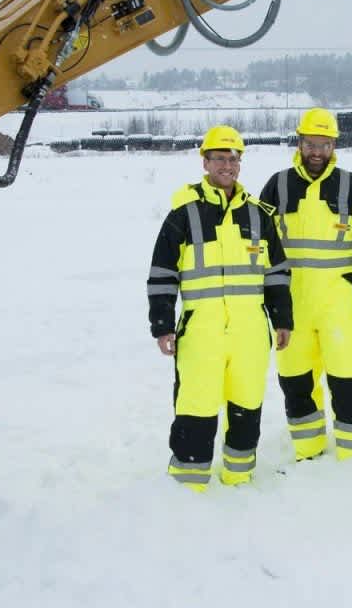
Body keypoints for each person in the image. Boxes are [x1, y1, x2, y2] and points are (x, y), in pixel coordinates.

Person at [146, 125, 293, 491]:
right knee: (196, 406)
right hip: (201, 332)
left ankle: (238, 478)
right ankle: (188, 484)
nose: (227, 166)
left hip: (249, 334)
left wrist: (282, 319)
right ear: (205, 162)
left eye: (233, 159)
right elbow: (162, 273)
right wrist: (163, 324)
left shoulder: (259, 216)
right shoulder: (184, 215)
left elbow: (277, 273)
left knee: (246, 405)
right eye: (219, 159)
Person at [258, 108, 352, 465]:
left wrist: (338, 278)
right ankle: (307, 450)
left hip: (338, 301)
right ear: (299, 142)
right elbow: (261, 241)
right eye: (311, 143)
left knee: (349, 377)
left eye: (324, 145)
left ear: (334, 146)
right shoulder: (277, 185)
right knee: (296, 379)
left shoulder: (351, 185)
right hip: (291, 305)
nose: (316, 152)